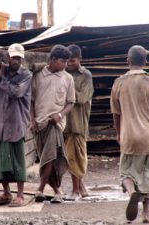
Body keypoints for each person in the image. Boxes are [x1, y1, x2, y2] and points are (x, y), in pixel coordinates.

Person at [110, 45, 149, 222]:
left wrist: (119, 134)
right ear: (145, 61)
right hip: (148, 136)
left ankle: (132, 192)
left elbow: (117, 115)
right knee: (147, 173)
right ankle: (146, 214)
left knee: (126, 173)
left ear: (127, 61)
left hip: (128, 136)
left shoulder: (119, 83)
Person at [0, 43, 32, 207]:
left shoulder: (26, 75)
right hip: (0, 124)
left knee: (18, 161)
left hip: (16, 123)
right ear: (8, 57)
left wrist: (2, 78)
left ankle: (20, 195)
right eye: (13, 57)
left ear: (21, 59)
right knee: (1, 161)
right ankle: (6, 193)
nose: (15, 60)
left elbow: (16, 92)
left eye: (18, 58)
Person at [31, 44, 75, 203]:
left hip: (55, 124)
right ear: (53, 60)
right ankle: (57, 191)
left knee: (50, 157)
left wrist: (60, 114)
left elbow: (71, 103)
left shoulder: (67, 78)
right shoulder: (38, 76)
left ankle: (40, 189)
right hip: (39, 123)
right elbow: (32, 101)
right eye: (63, 61)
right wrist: (32, 120)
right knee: (47, 157)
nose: (65, 65)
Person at [64, 44, 94, 201]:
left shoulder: (86, 75)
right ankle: (77, 188)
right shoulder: (62, 74)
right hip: (65, 123)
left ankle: (78, 188)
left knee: (80, 156)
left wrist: (68, 87)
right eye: (67, 61)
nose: (69, 64)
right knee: (70, 157)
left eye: (73, 61)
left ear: (80, 59)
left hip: (79, 123)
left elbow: (82, 98)